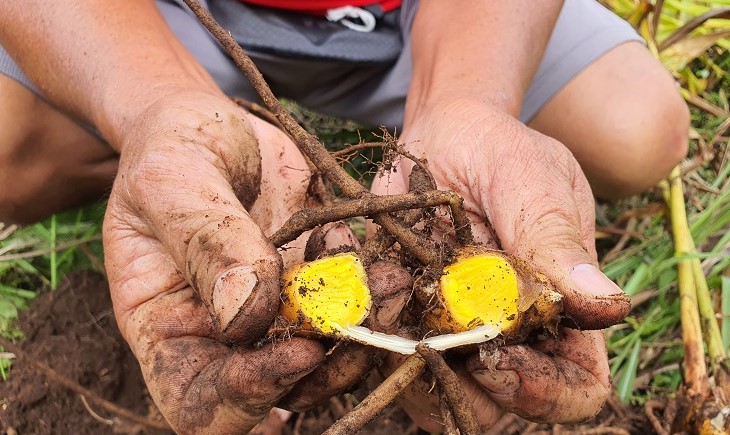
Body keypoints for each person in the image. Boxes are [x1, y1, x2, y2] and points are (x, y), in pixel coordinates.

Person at [0, 0, 688, 433]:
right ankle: (183, 141)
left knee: (638, 125)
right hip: (169, 18)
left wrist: (465, 99)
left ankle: (433, 108)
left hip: (414, 19)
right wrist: (156, 101)